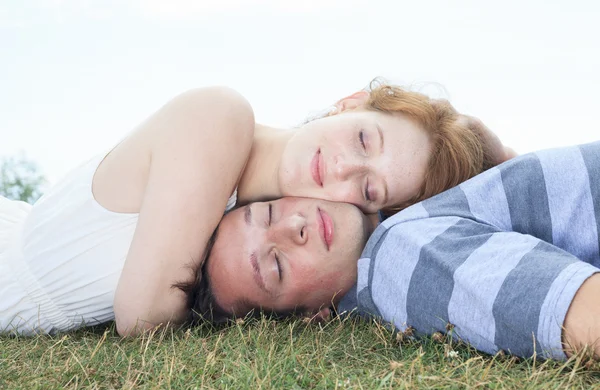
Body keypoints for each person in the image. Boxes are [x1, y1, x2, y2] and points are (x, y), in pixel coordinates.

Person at [0, 80, 508, 336]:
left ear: (371, 212)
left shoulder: (269, 217)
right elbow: (143, 317)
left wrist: (497, 156)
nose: (341, 169)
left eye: (370, 188)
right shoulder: (219, 118)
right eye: (362, 139)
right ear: (350, 103)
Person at [187, 141, 600, 360]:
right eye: (276, 265)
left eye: (269, 212)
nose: (293, 227)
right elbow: (584, 317)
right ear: (313, 315)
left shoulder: (399, 201)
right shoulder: (398, 259)